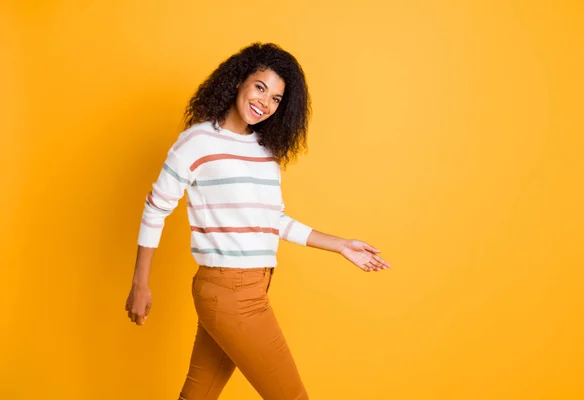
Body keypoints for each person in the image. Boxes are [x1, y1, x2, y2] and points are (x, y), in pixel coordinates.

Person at [125, 42, 391, 400]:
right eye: (260, 87)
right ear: (239, 81)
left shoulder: (266, 153)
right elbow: (156, 208)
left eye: (276, 99)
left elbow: (272, 220)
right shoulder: (196, 142)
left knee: (198, 394)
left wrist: (340, 245)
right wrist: (141, 284)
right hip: (231, 293)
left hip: (250, 288)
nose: (265, 103)